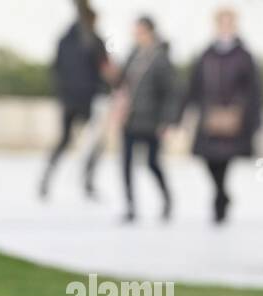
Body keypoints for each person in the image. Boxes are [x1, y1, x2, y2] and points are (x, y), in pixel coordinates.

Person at [177, 7, 263, 224]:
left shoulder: (244, 56)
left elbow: (254, 89)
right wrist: (180, 114)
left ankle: (219, 203)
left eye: (228, 23)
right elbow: (194, 86)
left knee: (224, 160)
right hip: (209, 116)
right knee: (208, 159)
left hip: (235, 118)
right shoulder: (206, 54)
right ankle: (222, 193)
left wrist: (251, 116)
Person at [39, 2, 111, 200]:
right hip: (86, 100)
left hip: (69, 100)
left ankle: (47, 179)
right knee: (95, 143)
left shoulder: (65, 40)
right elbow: (106, 71)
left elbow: (55, 69)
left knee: (65, 141)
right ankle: (86, 182)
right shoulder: (94, 41)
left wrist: (62, 94)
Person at [116, 16, 176, 223]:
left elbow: (171, 92)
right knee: (125, 163)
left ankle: (167, 200)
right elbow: (121, 83)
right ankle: (130, 206)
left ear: (150, 32)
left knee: (152, 163)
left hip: (151, 120)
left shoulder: (161, 58)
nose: (136, 36)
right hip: (130, 119)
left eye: (140, 31)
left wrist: (166, 121)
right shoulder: (132, 55)